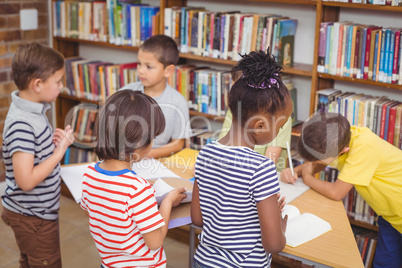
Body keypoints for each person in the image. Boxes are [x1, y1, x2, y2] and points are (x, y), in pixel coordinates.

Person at [191, 49, 292, 267]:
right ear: (261, 125)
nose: (280, 131)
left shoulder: (205, 153)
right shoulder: (261, 167)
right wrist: (280, 226)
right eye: (281, 126)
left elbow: (198, 219)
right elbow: (273, 244)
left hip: (204, 261)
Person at [80, 90, 187, 268]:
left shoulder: (90, 174)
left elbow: (90, 211)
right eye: (152, 138)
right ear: (138, 144)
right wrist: (168, 201)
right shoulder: (137, 189)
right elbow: (154, 242)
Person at [282, 112, 402, 267]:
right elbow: (320, 162)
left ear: (343, 151)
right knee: (385, 264)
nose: (314, 163)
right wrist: (296, 171)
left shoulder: (364, 147)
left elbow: (336, 192)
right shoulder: (337, 137)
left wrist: (307, 178)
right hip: (390, 216)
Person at [1, 42, 74, 267]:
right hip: (33, 217)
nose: (62, 86)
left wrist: (49, 147)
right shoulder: (22, 123)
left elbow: (33, 156)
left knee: (30, 261)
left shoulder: (31, 109)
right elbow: (26, 180)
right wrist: (58, 153)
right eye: (58, 81)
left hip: (36, 214)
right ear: (38, 84)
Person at [120, 34, 191, 158]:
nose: (141, 70)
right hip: (123, 159)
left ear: (168, 71)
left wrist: (143, 154)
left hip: (155, 163)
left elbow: (178, 144)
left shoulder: (178, 102)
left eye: (149, 67)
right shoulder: (125, 93)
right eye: (139, 63)